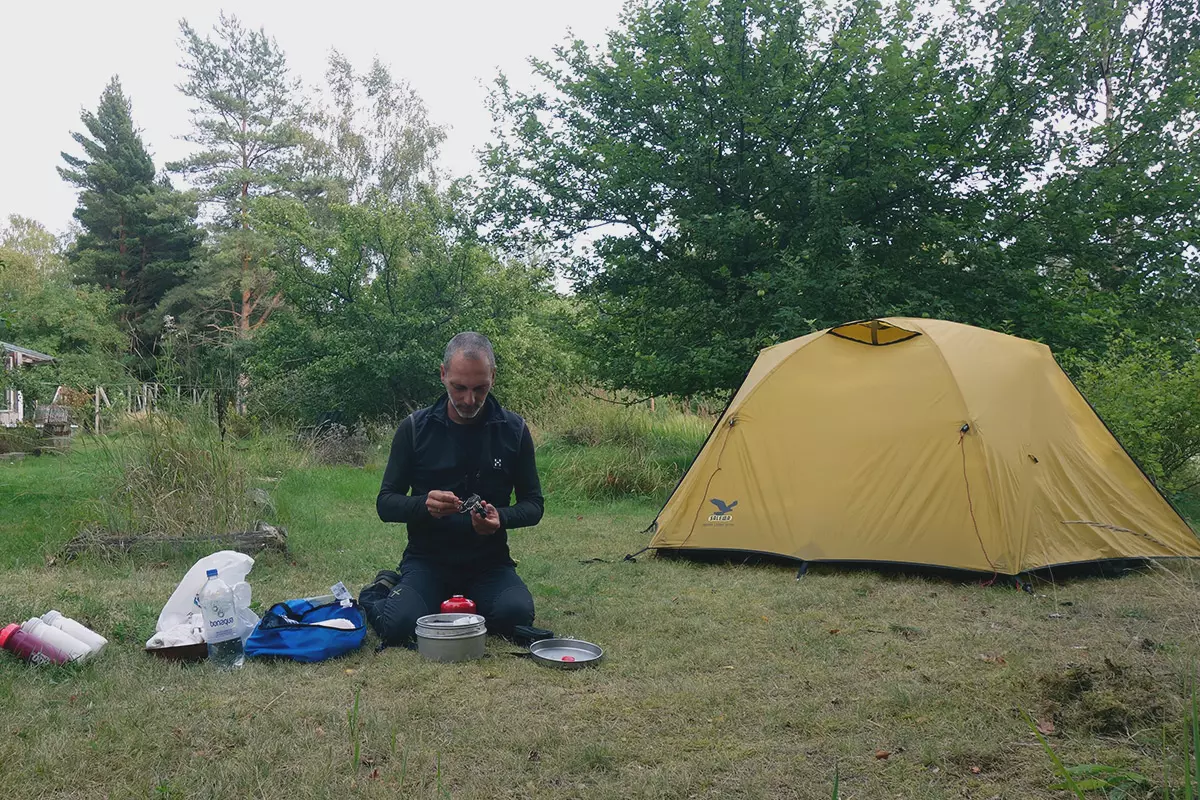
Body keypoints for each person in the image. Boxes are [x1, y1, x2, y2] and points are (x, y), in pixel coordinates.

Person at [360, 331, 543, 645]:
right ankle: (380, 590)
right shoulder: (415, 429)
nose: (469, 400)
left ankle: (468, 599)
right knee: (400, 624)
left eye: (479, 388)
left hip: (489, 562)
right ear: (443, 374)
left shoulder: (514, 430)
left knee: (515, 616)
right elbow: (385, 503)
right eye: (459, 387)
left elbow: (534, 504)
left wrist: (501, 517)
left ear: (493, 377)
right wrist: (424, 505)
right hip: (427, 560)